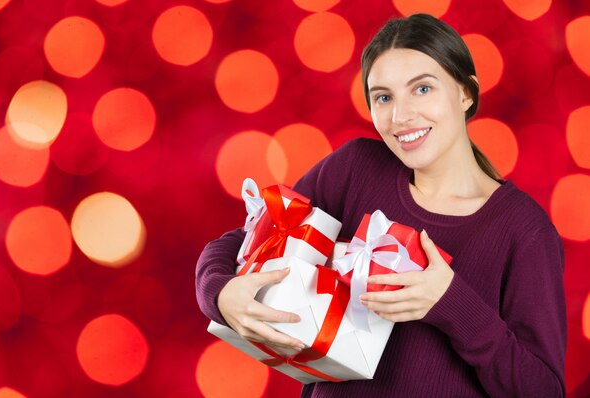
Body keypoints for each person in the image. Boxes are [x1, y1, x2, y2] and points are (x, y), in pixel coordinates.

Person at [196, 13, 566, 397]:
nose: (400, 116)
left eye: (422, 89)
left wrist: (451, 303)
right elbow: (237, 244)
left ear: (465, 93)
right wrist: (220, 292)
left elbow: (542, 389)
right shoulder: (356, 169)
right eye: (383, 97)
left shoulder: (524, 230)